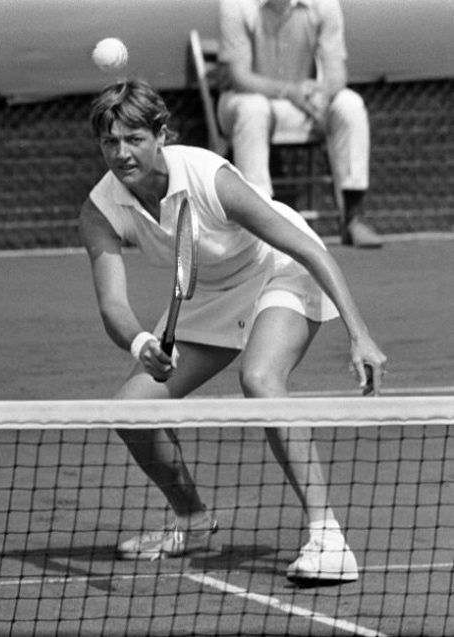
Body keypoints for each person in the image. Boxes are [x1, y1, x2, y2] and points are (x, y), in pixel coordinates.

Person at [79, 79, 387, 582]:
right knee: (131, 411)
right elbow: (112, 305)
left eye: (134, 138)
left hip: (281, 268)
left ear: (160, 135)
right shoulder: (100, 211)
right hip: (213, 292)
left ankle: (328, 538)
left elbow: (310, 249)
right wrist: (142, 342)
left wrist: (360, 334)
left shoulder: (207, 177)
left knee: (261, 379)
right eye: (110, 142)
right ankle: (193, 521)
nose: (121, 153)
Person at [217, 0, 383, 248]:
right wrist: (288, 90)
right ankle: (260, 225)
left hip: (302, 106)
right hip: (245, 102)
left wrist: (322, 97)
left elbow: (336, 71)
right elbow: (240, 78)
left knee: (350, 104)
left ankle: (353, 218)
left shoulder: (325, 5)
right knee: (253, 109)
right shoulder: (235, 5)